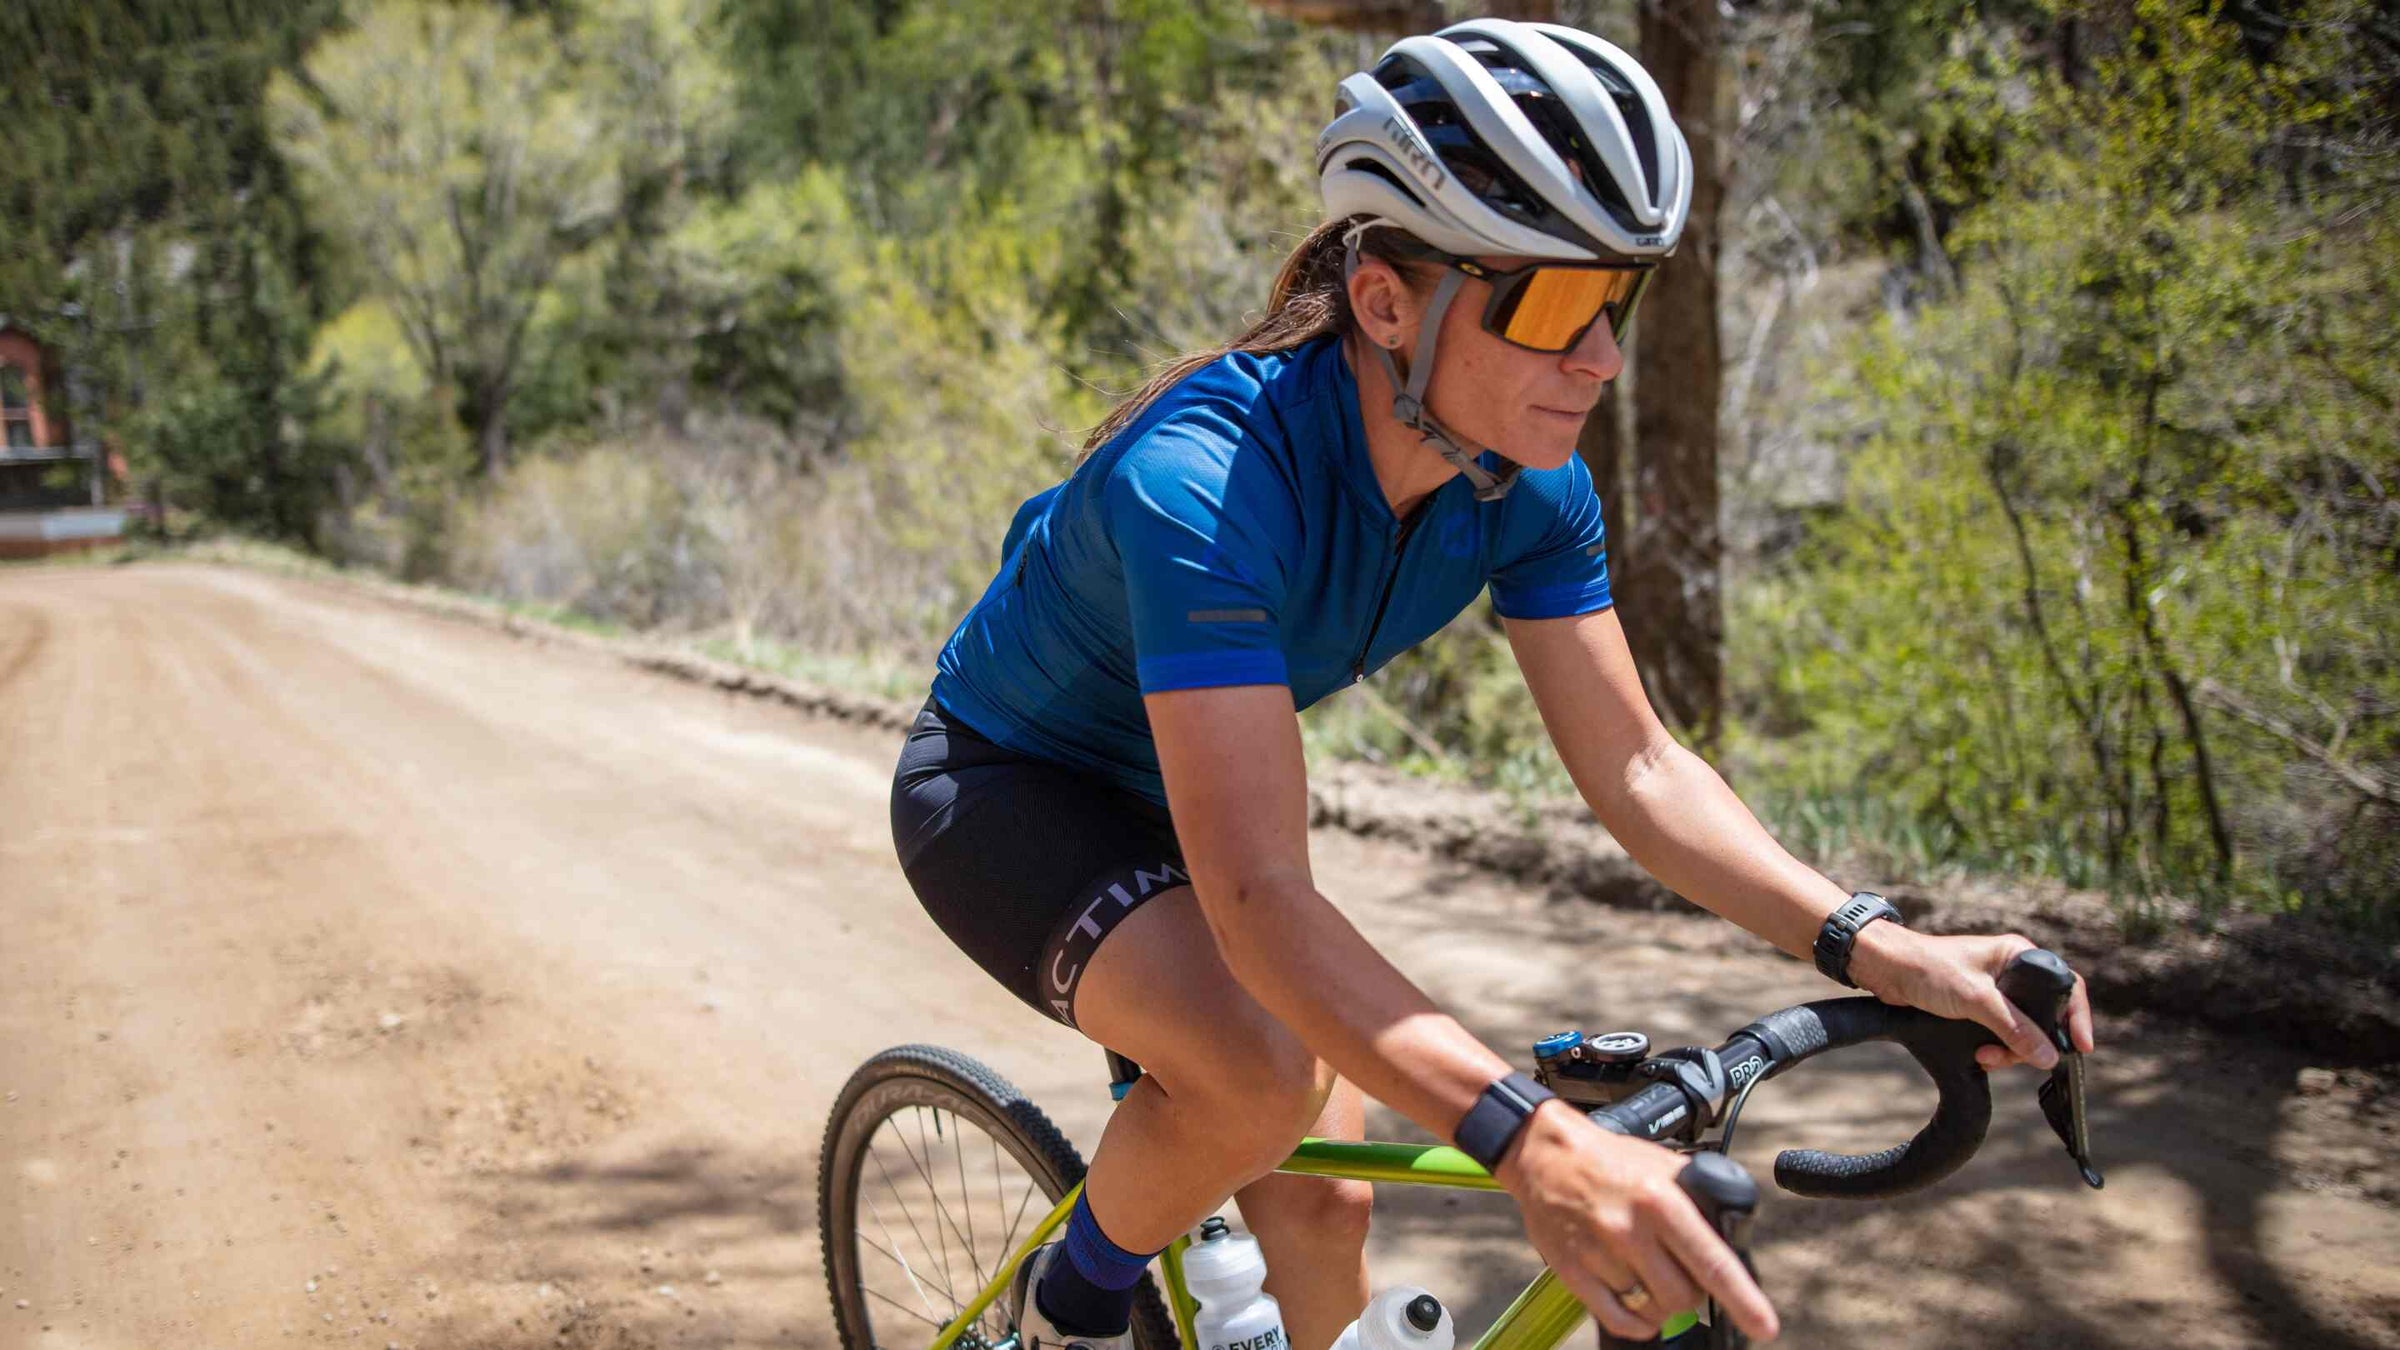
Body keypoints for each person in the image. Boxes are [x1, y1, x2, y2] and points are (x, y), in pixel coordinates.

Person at [890, 18, 2096, 1350]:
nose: (1603, 359)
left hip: (1192, 789)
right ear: (1387, 301)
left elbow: (1639, 770)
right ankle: (1073, 1311)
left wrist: (1882, 942)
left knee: (1329, 1208)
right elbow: (1258, 901)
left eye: (1614, 300)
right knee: (1256, 1082)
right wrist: (1541, 1149)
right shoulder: (1203, 486)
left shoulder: (1523, 480)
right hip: (1008, 790)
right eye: (1554, 306)